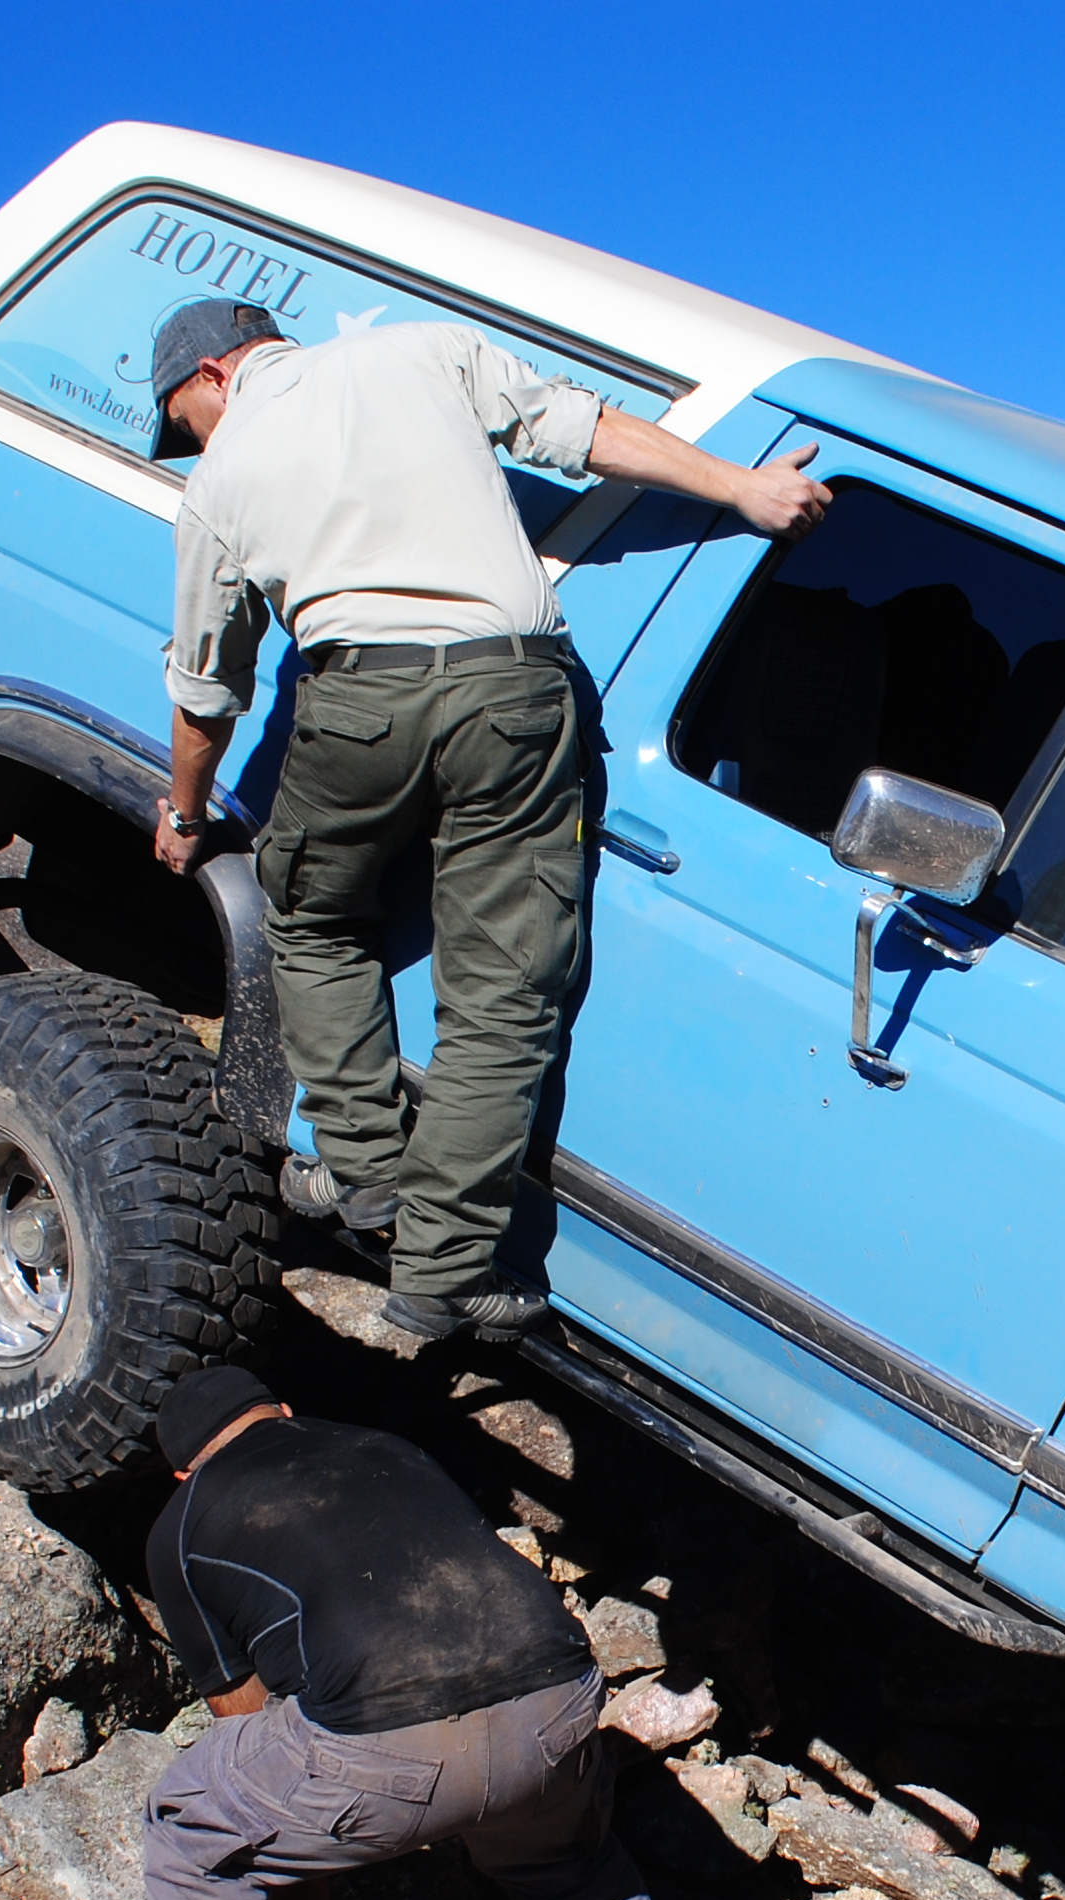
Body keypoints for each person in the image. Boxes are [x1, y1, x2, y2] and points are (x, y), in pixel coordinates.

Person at [145, 297, 832, 1344]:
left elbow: (206, 690)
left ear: (208, 373)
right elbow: (584, 430)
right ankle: (442, 1271)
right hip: (513, 693)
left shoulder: (221, 481)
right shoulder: (421, 352)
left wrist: (184, 813)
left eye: (179, 421)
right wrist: (744, 488)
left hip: (354, 701)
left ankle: (366, 1173)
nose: (190, 441)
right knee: (504, 990)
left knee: (313, 923)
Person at [91, 1365, 740, 1900]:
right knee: (565, 1864)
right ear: (284, 1410)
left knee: (192, 1836)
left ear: (183, 1470)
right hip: (558, 1700)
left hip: (390, 1741)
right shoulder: (383, 1445)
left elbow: (246, 1726)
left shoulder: (181, 1526)